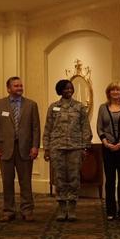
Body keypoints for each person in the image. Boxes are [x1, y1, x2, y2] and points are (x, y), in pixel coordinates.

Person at [0, 76, 41, 222]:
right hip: (5, 149)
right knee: (7, 181)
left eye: (20, 85)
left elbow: (36, 128)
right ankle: (8, 210)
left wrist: (35, 146)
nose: (19, 88)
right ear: (8, 88)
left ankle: (27, 210)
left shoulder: (31, 105)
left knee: (26, 181)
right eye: (16, 86)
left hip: (25, 149)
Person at [43, 79, 92, 222]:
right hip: (57, 148)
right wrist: (46, 148)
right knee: (59, 178)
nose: (69, 90)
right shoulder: (53, 107)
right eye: (65, 88)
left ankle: (72, 207)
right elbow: (48, 128)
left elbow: (85, 128)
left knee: (74, 178)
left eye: (70, 88)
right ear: (60, 90)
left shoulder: (79, 107)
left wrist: (85, 146)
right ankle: (62, 206)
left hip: (75, 148)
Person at [96, 82, 120, 221]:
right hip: (107, 149)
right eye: (113, 89)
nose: (115, 92)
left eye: (118, 89)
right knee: (110, 180)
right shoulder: (102, 108)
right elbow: (100, 128)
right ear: (108, 92)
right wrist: (106, 143)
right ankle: (111, 211)